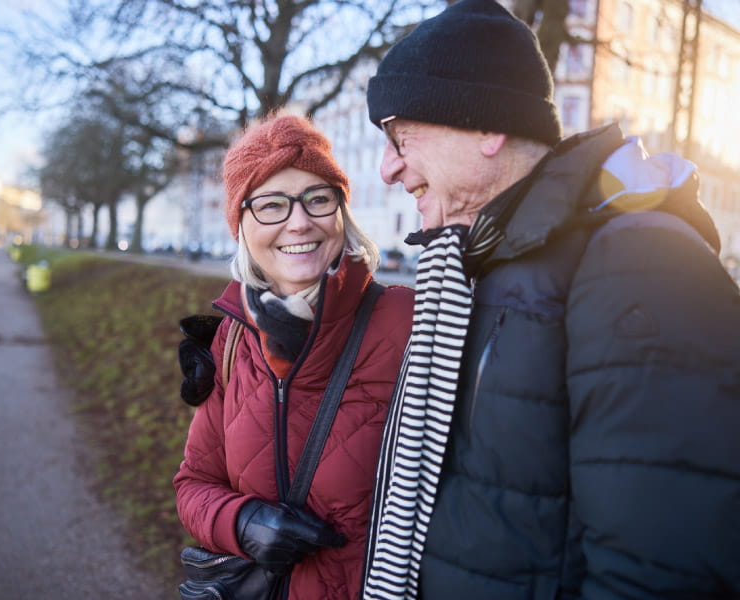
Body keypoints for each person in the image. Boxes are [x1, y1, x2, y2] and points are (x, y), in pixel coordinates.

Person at [360, 1, 740, 599]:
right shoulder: (485, 269)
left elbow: (664, 571)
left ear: (487, 128)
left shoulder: (640, 262)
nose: (387, 169)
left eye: (401, 136)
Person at [173, 113, 414, 600]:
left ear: (341, 210)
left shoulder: (408, 323)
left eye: (317, 199)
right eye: (271, 205)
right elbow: (194, 484)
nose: (299, 221)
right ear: (241, 224)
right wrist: (240, 521)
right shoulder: (232, 342)